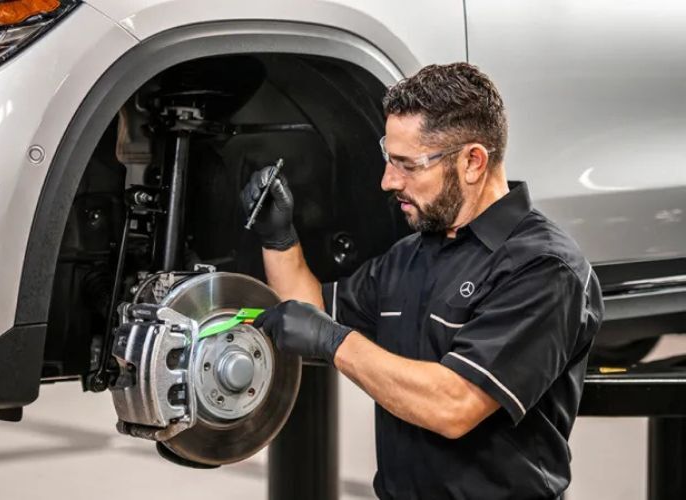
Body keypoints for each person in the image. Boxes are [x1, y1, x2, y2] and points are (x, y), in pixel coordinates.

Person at [241, 62, 603, 500]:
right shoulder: (410, 256)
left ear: (473, 161)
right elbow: (308, 312)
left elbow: (455, 404)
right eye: (387, 159)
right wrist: (279, 238)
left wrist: (337, 342)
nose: (387, 181)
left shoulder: (544, 268)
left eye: (407, 165)